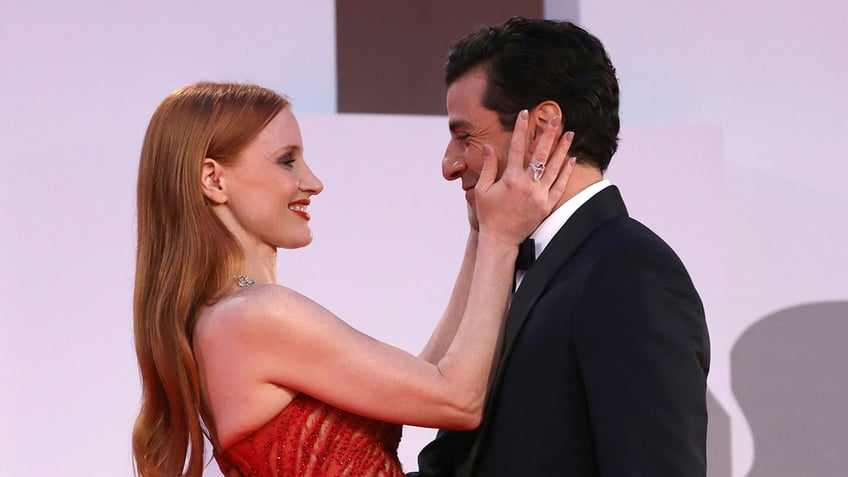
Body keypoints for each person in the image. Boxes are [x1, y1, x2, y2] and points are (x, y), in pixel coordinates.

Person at [131, 82, 576, 476]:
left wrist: (481, 232)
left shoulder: (230, 314)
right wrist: (500, 238)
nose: (313, 182)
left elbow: (428, 378)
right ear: (213, 179)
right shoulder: (254, 315)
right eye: (287, 161)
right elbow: (458, 399)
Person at [412, 17, 711, 477]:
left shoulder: (630, 272)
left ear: (542, 127)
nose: (450, 165)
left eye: (465, 135)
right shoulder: (518, 264)